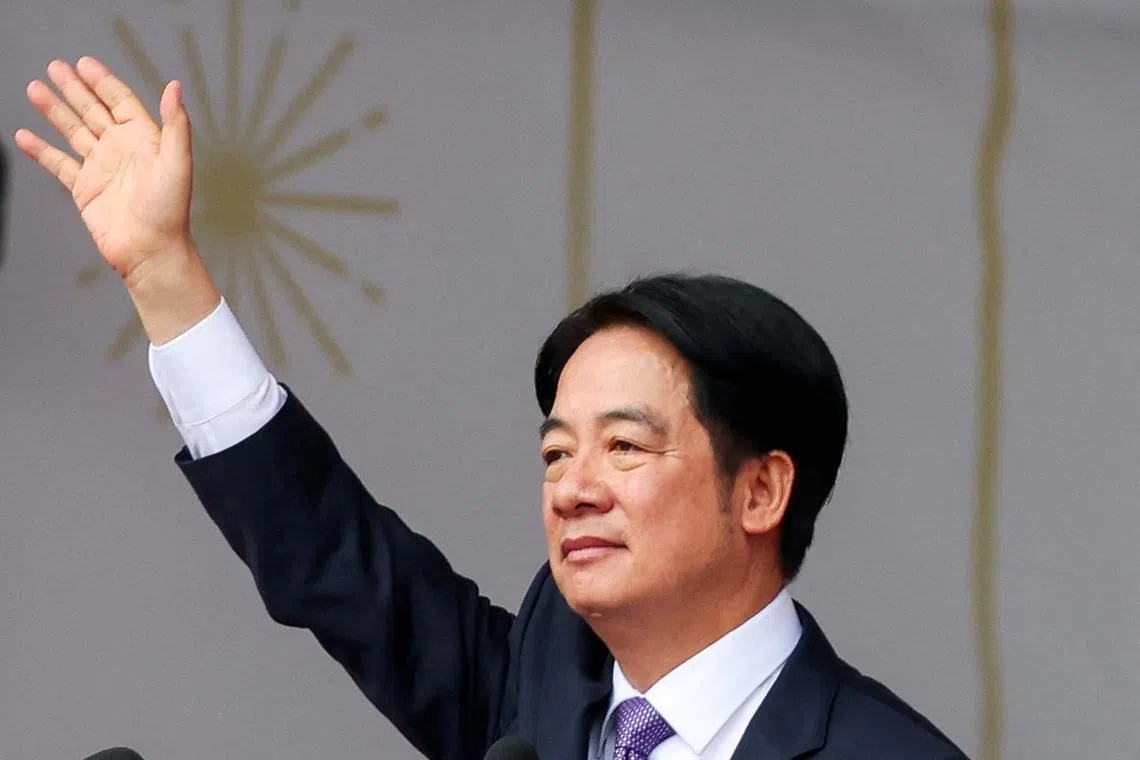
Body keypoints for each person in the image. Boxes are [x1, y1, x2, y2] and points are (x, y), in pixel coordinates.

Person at [16, 58, 968, 760]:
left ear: (761, 490)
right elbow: (333, 561)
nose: (574, 490)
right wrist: (164, 275)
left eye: (624, 446)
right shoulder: (547, 683)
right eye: (556, 454)